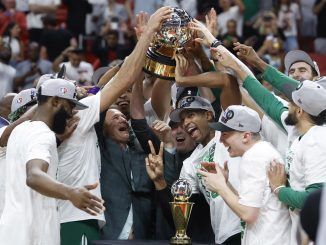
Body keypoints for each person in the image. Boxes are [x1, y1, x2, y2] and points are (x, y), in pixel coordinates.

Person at [56, 7, 173, 245]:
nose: (120, 117)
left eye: (122, 116)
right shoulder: (92, 133)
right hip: (102, 229)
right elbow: (113, 85)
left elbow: (138, 118)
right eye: (113, 115)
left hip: (142, 233)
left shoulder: (140, 143)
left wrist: (141, 57)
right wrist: (143, 43)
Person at [0, 78, 105, 245]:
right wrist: (70, 192)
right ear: (55, 101)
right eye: (70, 106)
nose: (72, 113)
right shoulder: (43, 134)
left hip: (11, 231)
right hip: (33, 234)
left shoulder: (19, 131)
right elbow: (34, 176)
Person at [147, 95, 242, 244]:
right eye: (182, 119)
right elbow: (181, 217)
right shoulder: (190, 164)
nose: (185, 123)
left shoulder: (227, 135)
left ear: (208, 115)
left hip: (249, 223)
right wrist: (160, 182)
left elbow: (231, 89)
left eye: (191, 115)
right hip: (223, 234)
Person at [199, 105, 291, 245]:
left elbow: (248, 214)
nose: (220, 140)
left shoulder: (254, 157)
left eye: (225, 134)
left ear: (246, 136)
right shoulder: (262, 151)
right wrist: (226, 183)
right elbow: (250, 205)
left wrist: (221, 187)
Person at [95, 108, 154, 239]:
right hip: (109, 235)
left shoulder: (144, 157)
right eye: (115, 118)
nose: (123, 120)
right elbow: (98, 113)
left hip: (142, 235)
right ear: (103, 129)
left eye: (123, 117)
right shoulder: (100, 153)